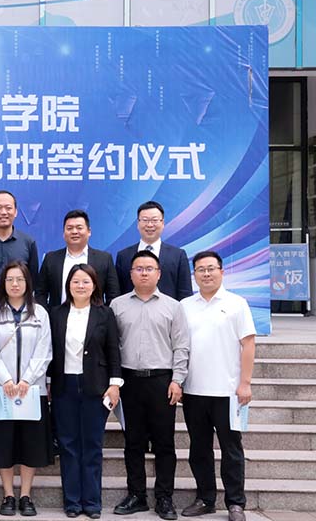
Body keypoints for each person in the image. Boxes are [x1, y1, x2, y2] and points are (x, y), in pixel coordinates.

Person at [110, 250, 190, 520]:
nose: (143, 273)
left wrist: (177, 380)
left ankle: (164, 497)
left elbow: (181, 346)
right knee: (133, 442)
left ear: (159, 274)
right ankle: (137, 495)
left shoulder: (173, 307)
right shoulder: (117, 305)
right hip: (129, 381)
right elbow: (112, 347)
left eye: (149, 269)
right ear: (130, 274)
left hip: (161, 381)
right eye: (138, 269)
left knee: (164, 442)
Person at [180, 251, 255, 521]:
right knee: (199, 449)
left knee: (231, 450)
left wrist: (245, 383)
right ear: (194, 275)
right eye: (201, 269)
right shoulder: (185, 306)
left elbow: (248, 344)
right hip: (194, 391)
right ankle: (205, 499)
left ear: (222, 272)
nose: (206, 274)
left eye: (211, 268)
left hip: (228, 391)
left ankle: (235, 503)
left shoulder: (236, 304)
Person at [48, 264, 122, 519]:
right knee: (68, 445)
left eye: (86, 281)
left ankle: (91, 502)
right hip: (64, 385)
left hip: (95, 386)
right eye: (76, 281)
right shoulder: (56, 313)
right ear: (68, 285)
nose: (81, 286)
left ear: (94, 285)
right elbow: (50, 350)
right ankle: (72, 502)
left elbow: (113, 350)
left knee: (92, 445)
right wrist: (48, 382)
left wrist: (115, 384)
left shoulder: (104, 313)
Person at [0, 261, 53, 517]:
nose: (15, 284)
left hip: (31, 390)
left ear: (28, 283)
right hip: (1, 389)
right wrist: (5, 380)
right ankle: (8, 495)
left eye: (20, 279)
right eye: (10, 279)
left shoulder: (40, 313)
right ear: (3, 283)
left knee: (30, 443)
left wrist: (26, 380)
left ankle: (25, 495)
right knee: (3, 442)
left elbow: (44, 350)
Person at [35, 209, 119, 309]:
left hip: (94, 317)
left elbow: (113, 295)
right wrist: (47, 315)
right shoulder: (51, 259)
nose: (74, 232)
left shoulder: (104, 259)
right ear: (63, 233)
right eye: (69, 228)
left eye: (79, 228)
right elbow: (40, 293)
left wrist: (104, 315)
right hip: (57, 317)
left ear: (89, 231)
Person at [115, 201, 192, 301]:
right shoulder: (123, 256)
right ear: (138, 224)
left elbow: (185, 294)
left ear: (162, 223)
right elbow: (118, 293)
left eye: (154, 220)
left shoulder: (178, 255)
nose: (150, 225)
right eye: (145, 220)